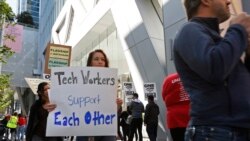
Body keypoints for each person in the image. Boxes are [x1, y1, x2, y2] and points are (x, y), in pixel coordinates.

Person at [173, 0, 250, 140]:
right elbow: (216, 68)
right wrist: (238, 29)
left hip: (233, 130)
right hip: (215, 131)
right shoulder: (189, 30)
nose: (229, 1)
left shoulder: (217, 40)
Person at [76, 49, 123, 141]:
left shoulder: (111, 82)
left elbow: (113, 111)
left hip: (106, 130)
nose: (100, 62)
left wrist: (118, 105)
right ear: (90, 63)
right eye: (96, 59)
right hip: (84, 130)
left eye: (103, 59)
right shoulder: (79, 81)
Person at [162, 73, 190, 141]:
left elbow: (164, 96)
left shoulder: (169, 79)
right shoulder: (193, 77)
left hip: (174, 118)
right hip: (192, 115)